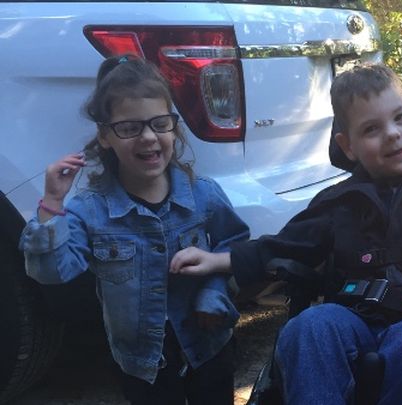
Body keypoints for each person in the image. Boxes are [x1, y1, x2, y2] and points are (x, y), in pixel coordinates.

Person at [170, 63, 402, 404]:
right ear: (348, 146)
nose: (392, 133)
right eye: (372, 129)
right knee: (309, 326)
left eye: (400, 118)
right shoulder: (337, 201)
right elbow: (285, 245)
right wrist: (218, 260)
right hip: (354, 318)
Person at [19, 55, 249, 405]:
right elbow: (52, 272)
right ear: (105, 136)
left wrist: (213, 292)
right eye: (129, 128)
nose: (148, 137)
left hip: (209, 347)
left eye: (160, 123)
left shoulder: (203, 194)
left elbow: (235, 246)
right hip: (141, 365)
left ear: (173, 127)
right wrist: (51, 203)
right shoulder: (89, 210)